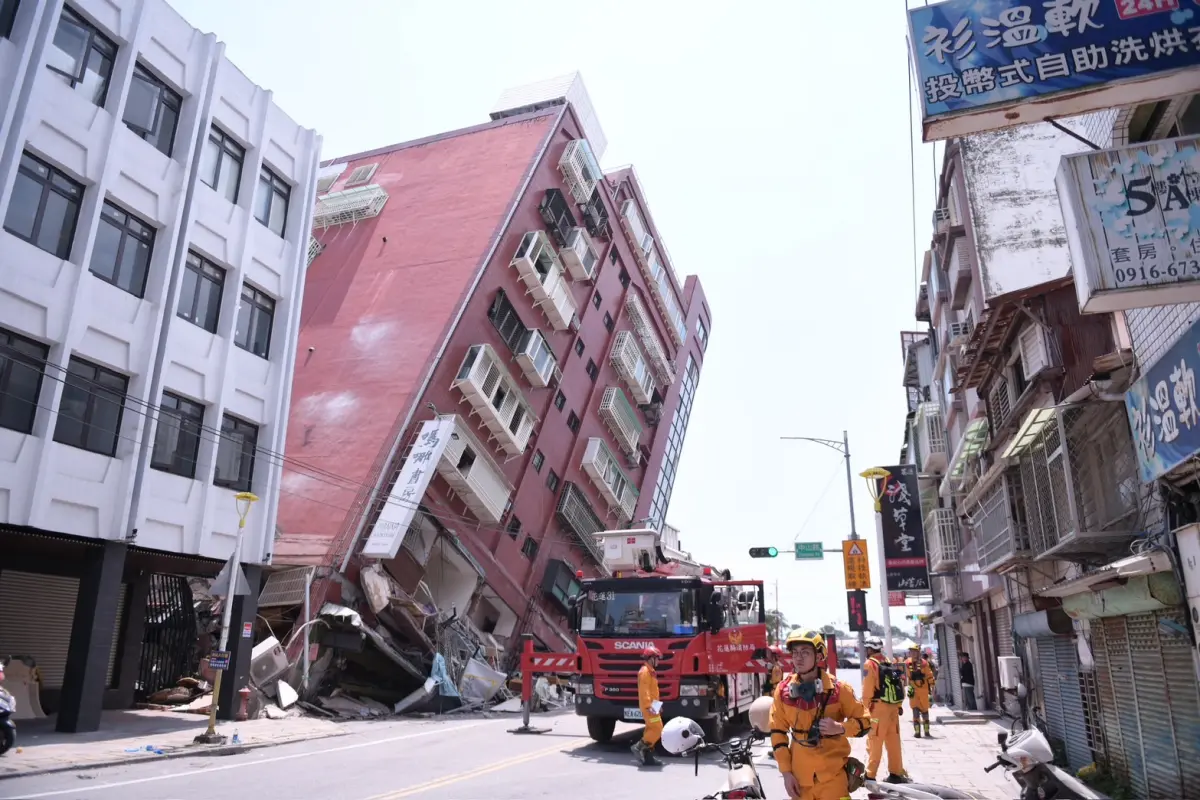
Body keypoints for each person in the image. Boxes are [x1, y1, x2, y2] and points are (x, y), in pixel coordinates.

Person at [768, 628, 870, 800]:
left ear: (819, 656)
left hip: (834, 779)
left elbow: (867, 721)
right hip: (800, 782)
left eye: (805, 652)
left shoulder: (839, 689)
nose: (798, 658)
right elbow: (778, 733)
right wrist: (786, 773)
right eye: (795, 653)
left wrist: (840, 728)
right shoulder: (782, 690)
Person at [860, 637, 908, 784]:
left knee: (875, 741)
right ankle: (896, 773)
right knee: (893, 742)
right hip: (893, 707)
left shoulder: (870, 665)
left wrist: (864, 709)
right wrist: (899, 706)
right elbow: (898, 684)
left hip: (877, 708)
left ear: (869, 649)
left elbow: (867, 690)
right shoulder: (889, 661)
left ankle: (870, 774)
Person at [631, 645, 664, 767]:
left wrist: (657, 705)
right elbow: (644, 691)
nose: (659, 661)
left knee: (651, 729)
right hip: (649, 707)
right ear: (651, 658)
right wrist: (648, 706)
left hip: (653, 706)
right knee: (657, 728)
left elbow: (653, 691)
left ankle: (648, 758)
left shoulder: (651, 671)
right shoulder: (645, 672)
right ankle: (638, 747)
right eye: (657, 658)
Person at [906, 644, 936, 738]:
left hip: (923, 690)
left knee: (925, 711)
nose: (913, 653)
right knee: (915, 710)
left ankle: (927, 731)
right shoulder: (907, 663)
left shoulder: (924, 663)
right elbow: (904, 675)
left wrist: (932, 686)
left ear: (918, 652)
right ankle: (917, 732)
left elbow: (929, 675)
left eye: (915, 651)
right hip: (913, 690)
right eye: (911, 651)